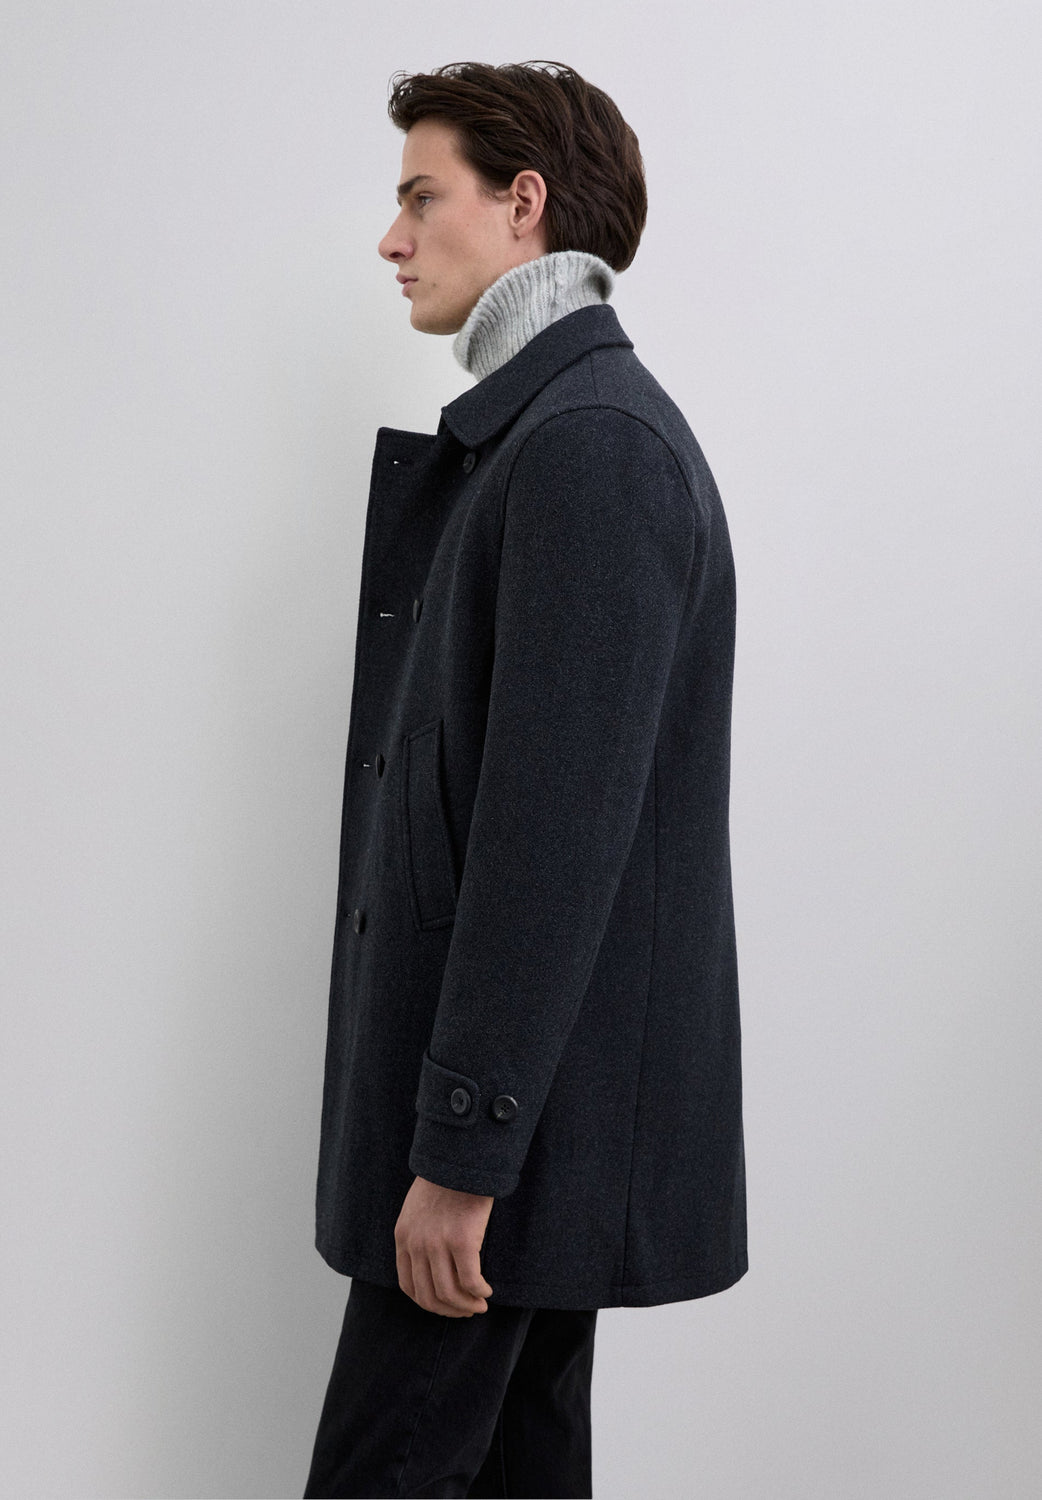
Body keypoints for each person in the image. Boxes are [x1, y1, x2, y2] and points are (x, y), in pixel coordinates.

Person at [303, 59, 747, 1499]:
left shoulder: (588, 451)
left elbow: (547, 848)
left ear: (523, 204)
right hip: (523, 1142)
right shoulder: (549, 440)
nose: (392, 240)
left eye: (419, 198)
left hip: (502, 1155)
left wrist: (460, 1157)